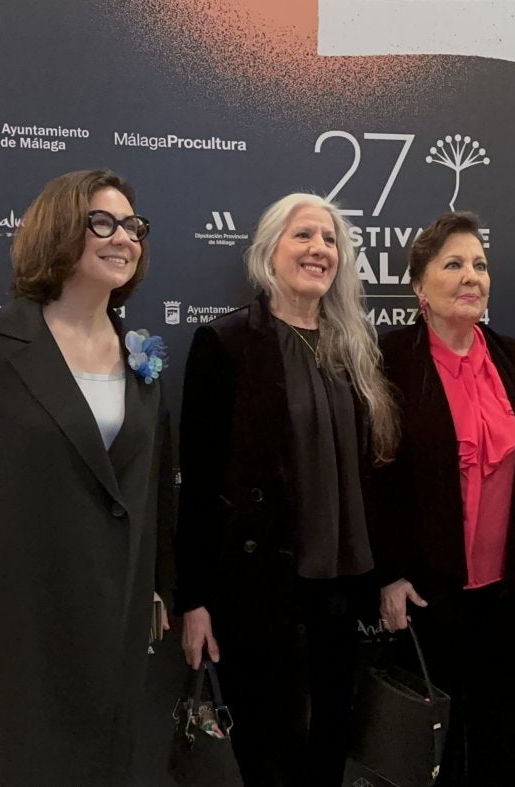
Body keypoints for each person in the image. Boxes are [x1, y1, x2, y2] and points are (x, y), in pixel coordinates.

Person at [0, 169, 175, 786]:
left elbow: (155, 483)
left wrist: (159, 582)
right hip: (11, 613)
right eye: (101, 222)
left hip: (110, 612)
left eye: (133, 226)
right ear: (60, 231)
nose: (123, 238)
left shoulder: (140, 353)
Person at [175, 193, 400, 787]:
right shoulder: (225, 344)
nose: (318, 250)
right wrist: (192, 599)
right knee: (268, 755)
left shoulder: (354, 349)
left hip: (341, 595)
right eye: (303, 236)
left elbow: (372, 477)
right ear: (268, 252)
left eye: (329, 240)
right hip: (255, 591)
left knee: (328, 748)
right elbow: (197, 483)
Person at [373, 211, 515, 786]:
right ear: (419, 285)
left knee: (503, 740)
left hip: (510, 593)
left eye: (479, 264)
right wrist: (390, 574)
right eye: (452, 264)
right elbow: (373, 478)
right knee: (437, 750)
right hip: (429, 593)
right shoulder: (389, 360)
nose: (470, 275)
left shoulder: (513, 358)